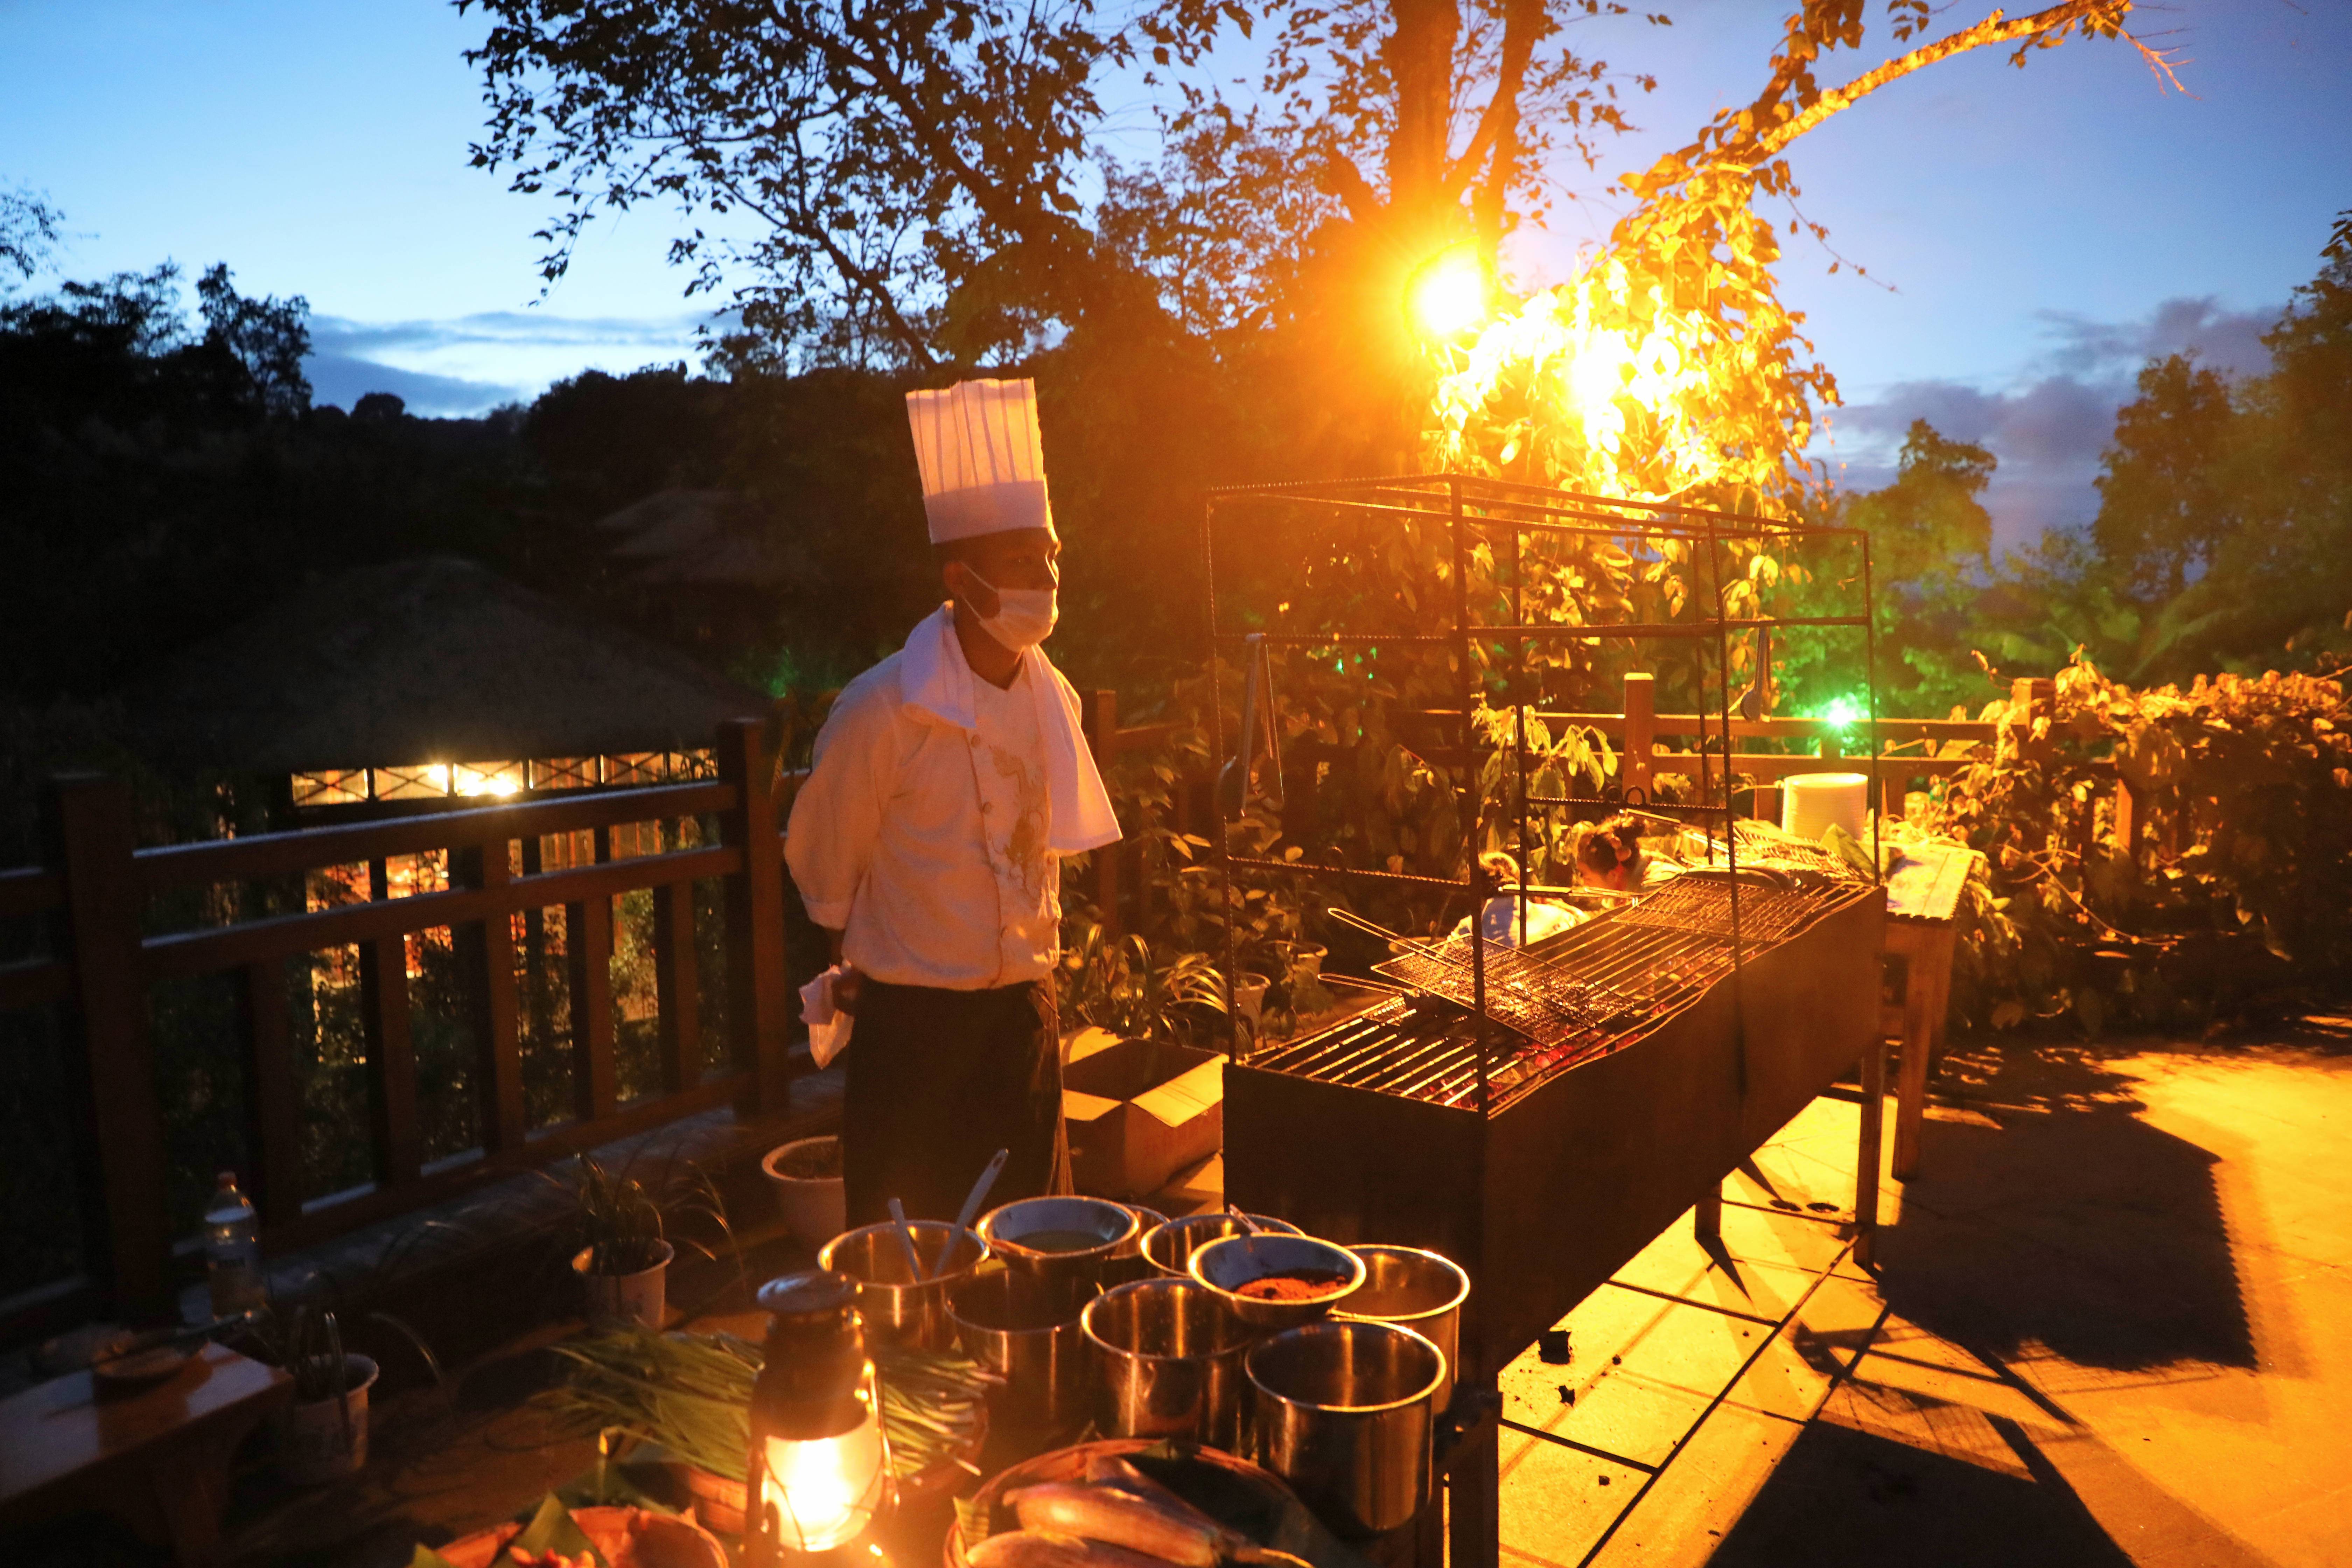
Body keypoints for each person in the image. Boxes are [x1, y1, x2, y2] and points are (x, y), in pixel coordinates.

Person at [784, 379, 1121, 1228]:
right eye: (1020, 564)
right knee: (913, 1265)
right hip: (916, 1033)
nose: (1044, 580)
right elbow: (826, 864)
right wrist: (869, 958)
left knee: (1031, 1250)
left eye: (1051, 557)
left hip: (1023, 1020)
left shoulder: (1056, 697)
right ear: (958, 577)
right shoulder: (884, 708)